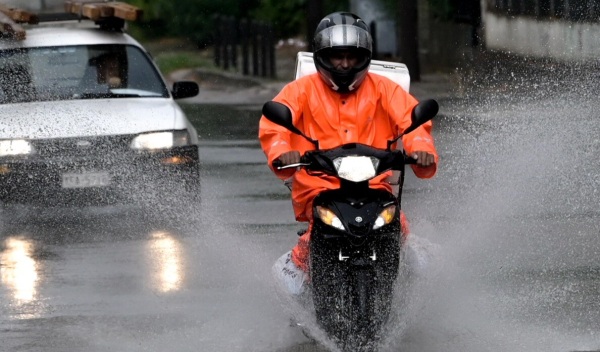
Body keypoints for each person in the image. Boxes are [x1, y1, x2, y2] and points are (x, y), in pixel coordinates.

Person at [259, 12, 438, 294]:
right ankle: (298, 267)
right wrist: (283, 153)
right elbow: (274, 125)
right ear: (321, 56)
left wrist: (421, 150)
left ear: (365, 56)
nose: (344, 64)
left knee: (398, 226)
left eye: (352, 57)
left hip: (373, 184)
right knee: (301, 263)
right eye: (336, 56)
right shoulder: (300, 91)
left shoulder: (385, 90)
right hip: (318, 186)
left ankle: (402, 266)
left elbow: (413, 122)